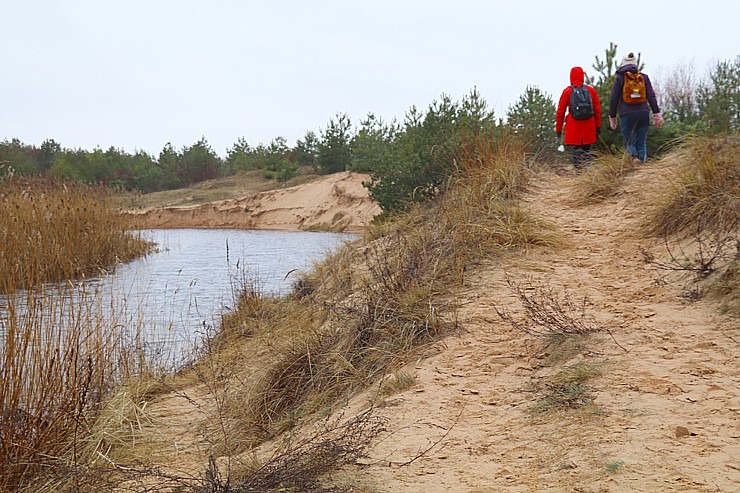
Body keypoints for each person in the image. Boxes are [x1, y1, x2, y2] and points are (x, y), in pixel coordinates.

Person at [609, 51, 664, 163]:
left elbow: (614, 98)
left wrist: (612, 116)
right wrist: (656, 113)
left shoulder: (620, 78)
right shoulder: (643, 77)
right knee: (641, 142)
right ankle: (642, 167)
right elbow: (651, 96)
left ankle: (633, 159)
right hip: (643, 113)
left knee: (629, 141)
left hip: (627, 113)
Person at [555, 66, 602, 170]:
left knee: (576, 152)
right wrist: (598, 126)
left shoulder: (567, 92)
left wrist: (558, 130)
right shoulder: (591, 91)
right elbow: (597, 111)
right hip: (589, 126)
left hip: (574, 127)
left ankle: (579, 174)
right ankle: (587, 173)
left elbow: (560, 112)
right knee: (587, 151)